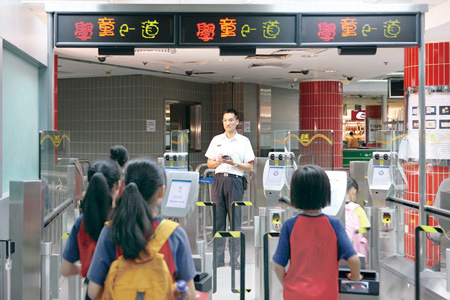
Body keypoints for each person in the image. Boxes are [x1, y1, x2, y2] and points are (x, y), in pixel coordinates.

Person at [87, 158, 196, 299]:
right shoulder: (175, 234)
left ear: (124, 187)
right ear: (161, 192)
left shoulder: (111, 231)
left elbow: (93, 292)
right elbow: (190, 293)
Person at [272, 165, 362, 300]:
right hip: (326, 295)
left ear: (295, 194)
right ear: (325, 193)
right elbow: (353, 259)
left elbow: (278, 265)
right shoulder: (335, 225)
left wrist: (288, 285)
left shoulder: (289, 226)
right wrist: (356, 277)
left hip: (295, 294)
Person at [61, 160, 121, 300]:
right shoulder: (123, 222)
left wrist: (88, 269)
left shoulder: (81, 222)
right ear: (117, 185)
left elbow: (66, 269)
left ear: (90, 184)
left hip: (93, 294)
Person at [205, 108, 255, 268]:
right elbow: (209, 163)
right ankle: (218, 259)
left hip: (235, 181)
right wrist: (219, 161)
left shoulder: (244, 141)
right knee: (218, 220)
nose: (228, 123)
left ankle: (235, 259)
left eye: (231, 120)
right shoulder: (216, 140)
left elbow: (249, 166)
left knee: (235, 221)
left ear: (237, 122)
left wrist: (234, 163)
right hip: (219, 180)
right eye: (225, 120)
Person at [345, 178, 370, 258]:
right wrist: (356, 231)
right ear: (354, 191)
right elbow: (366, 229)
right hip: (355, 253)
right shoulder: (357, 209)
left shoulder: (336, 209)